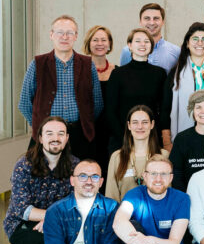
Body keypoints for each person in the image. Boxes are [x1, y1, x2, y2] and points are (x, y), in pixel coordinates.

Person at [19, 15, 103, 160]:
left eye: (70, 33)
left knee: (80, 177)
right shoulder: (37, 64)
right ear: (51, 35)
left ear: (76, 36)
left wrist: (84, 122)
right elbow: (24, 103)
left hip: (80, 135)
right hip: (46, 136)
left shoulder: (88, 65)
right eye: (59, 32)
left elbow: (97, 103)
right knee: (43, 177)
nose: (65, 37)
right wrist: (41, 127)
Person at [4, 117, 78, 244]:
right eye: (49, 133)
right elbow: (23, 210)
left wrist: (52, 220)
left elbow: (76, 203)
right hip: (21, 224)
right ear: (40, 138)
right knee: (52, 243)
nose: (55, 138)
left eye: (61, 133)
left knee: (68, 242)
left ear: (66, 138)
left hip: (58, 222)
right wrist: (53, 217)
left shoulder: (75, 166)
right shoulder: (24, 165)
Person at [160, 22, 204, 148]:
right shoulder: (175, 73)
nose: (200, 43)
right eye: (195, 39)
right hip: (184, 136)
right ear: (187, 43)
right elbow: (165, 109)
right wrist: (167, 142)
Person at [105, 28, 166, 151]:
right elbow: (110, 111)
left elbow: (163, 110)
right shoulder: (117, 74)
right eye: (138, 41)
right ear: (130, 46)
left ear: (151, 46)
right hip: (122, 140)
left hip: (151, 139)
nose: (143, 44)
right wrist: (126, 138)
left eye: (147, 41)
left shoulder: (159, 74)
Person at [106, 105, 169, 201]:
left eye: (145, 122)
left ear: (152, 124)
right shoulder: (117, 157)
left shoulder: (163, 155)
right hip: (124, 215)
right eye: (135, 122)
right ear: (129, 125)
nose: (140, 126)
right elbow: (111, 197)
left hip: (157, 215)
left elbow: (169, 193)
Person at [82, 25, 115, 178]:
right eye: (95, 40)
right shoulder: (80, 71)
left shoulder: (117, 71)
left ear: (109, 44)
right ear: (89, 44)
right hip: (87, 130)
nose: (99, 43)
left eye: (103, 40)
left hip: (110, 131)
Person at [119, 3, 180, 73]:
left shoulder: (176, 52)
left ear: (163, 22)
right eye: (147, 18)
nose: (151, 23)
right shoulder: (127, 51)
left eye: (156, 18)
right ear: (140, 22)